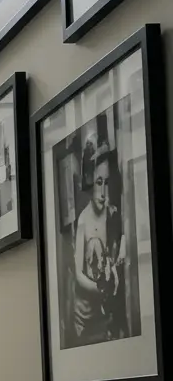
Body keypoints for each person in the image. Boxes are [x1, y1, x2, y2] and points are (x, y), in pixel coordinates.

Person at [73, 144, 127, 342]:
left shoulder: (113, 214)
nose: (103, 191)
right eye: (98, 182)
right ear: (89, 184)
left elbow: (119, 247)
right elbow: (78, 274)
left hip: (105, 314)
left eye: (107, 182)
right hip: (85, 316)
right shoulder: (83, 221)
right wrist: (101, 289)